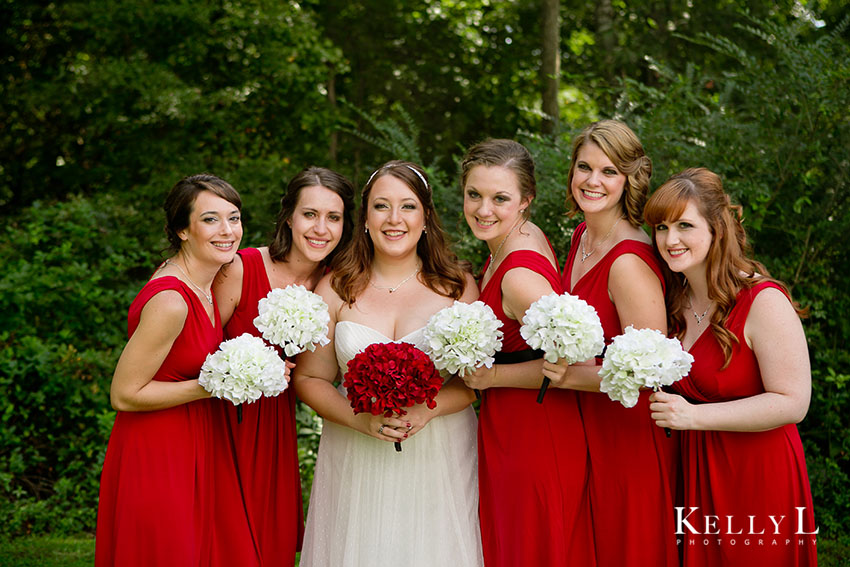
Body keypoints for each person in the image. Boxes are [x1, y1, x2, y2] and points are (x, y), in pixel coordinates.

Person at [293, 161, 483, 567]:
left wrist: (427, 411)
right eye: (381, 206)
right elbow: (310, 378)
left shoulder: (458, 287)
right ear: (365, 218)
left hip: (439, 450)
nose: (394, 219)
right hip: (355, 448)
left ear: (426, 217)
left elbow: (475, 382)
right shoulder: (336, 286)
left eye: (408, 207)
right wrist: (358, 418)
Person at [645, 167, 817, 566]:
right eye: (662, 227)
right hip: (697, 472)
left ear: (716, 229)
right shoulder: (674, 299)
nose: (670, 240)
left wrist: (694, 416)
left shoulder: (761, 300)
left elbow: (794, 402)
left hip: (756, 474)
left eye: (685, 225)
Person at [95, 174, 252, 566]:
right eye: (211, 219)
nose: (228, 231)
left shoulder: (205, 282)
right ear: (183, 230)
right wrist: (213, 385)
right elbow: (124, 394)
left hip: (196, 436)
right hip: (158, 447)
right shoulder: (171, 300)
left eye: (233, 218)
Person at [542, 120, 678, 566]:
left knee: (627, 548)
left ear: (629, 179)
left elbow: (646, 372)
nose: (592, 181)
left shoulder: (629, 261)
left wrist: (564, 378)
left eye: (608, 171)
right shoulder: (583, 236)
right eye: (584, 167)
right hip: (581, 428)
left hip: (625, 436)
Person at [458, 139, 594, 566]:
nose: (484, 209)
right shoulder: (519, 234)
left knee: (532, 549)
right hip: (514, 423)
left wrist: (492, 377)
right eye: (474, 195)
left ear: (525, 200)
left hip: (535, 431)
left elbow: (572, 360)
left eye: (500, 198)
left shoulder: (518, 276)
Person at [211, 167, 355, 566]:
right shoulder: (241, 269)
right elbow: (197, 354)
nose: (320, 228)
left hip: (274, 432)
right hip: (219, 425)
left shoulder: (337, 285)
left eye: (334, 217)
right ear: (289, 216)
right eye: (310, 214)